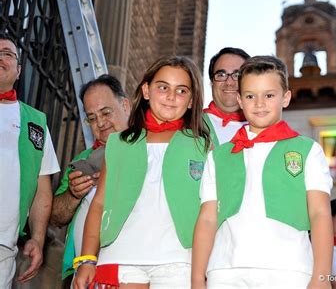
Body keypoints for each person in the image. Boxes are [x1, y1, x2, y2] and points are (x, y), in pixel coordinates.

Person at [192, 55, 333, 288]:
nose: (259, 104)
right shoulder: (218, 156)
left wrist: (321, 277)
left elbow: (320, 214)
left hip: (290, 270)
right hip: (225, 271)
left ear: (285, 97)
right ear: (239, 100)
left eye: (269, 95)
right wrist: (197, 279)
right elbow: (207, 219)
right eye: (250, 96)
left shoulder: (308, 150)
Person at [73, 56, 211, 288]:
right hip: (122, 254)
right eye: (163, 87)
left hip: (180, 259)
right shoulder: (119, 143)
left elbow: (210, 210)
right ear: (146, 90)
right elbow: (99, 203)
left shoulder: (202, 146)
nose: (170, 96)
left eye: (181, 91)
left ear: (191, 100)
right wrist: (87, 258)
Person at [50, 74, 130, 281]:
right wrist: (73, 194)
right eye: (92, 118)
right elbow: (55, 217)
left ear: (126, 106)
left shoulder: (148, 150)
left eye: (106, 112)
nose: (100, 123)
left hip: (131, 269)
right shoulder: (82, 160)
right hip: (81, 272)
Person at [0, 33, 60, 287]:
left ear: (19, 70)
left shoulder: (35, 122)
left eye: (7, 53)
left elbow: (42, 188)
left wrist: (36, 237)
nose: (0, 58)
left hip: (4, 246)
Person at [203, 47, 250, 145]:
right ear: (211, 83)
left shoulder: (265, 129)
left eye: (237, 75)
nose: (229, 82)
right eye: (221, 75)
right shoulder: (191, 125)